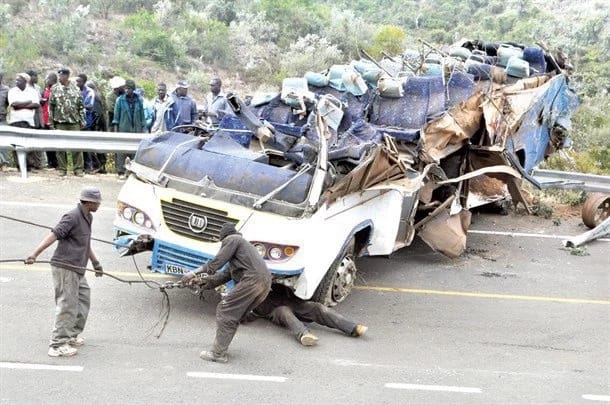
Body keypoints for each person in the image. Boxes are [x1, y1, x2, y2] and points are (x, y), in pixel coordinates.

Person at [25, 186, 104, 357]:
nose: (99, 205)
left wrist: (95, 262)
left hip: (78, 268)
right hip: (65, 267)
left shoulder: (88, 217)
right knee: (67, 304)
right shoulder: (72, 217)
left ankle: (71, 335)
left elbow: (85, 243)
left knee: (83, 299)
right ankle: (57, 344)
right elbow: (54, 235)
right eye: (97, 202)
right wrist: (34, 254)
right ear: (89, 202)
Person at [181, 223, 272, 363]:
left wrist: (194, 272)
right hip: (264, 284)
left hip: (252, 281)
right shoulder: (241, 252)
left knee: (226, 310)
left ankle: (218, 354)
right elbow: (223, 276)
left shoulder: (233, 239)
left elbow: (217, 261)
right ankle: (221, 349)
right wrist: (201, 282)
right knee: (233, 315)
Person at [49, 68, 86, 177]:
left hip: (74, 122)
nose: (60, 77)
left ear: (67, 76)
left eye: (61, 75)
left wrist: (82, 120)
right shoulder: (55, 89)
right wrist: (51, 122)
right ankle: (62, 169)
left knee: (77, 147)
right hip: (60, 122)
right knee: (60, 148)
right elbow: (51, 106)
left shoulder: (76, 89)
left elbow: (81, 106)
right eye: (59, 75)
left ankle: (78, 169)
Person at [7, 72, 42, 171]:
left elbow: (36, 104)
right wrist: (28, 102)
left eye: (19, 80)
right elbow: (14, 104)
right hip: (15, 121)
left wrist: (20, 105)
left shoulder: (32, 91)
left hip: (28, 121)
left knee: (28, 143)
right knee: (15, 144)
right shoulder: (12, 91)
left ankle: (29, 166)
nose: (16, 81)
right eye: (16, 80)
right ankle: (19, 166)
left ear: (25, 81)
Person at [111, 79, 145, 179]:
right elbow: (116, 118)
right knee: (121, 151)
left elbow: (142, 117)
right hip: (123, 128)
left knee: (135, 152)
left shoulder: (139, 100)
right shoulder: (120, 100)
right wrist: (116, 132)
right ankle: (121, 171)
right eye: (125, 88)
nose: (126, 90)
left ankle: (132, 171)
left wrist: (143, 129)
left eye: (129, 89)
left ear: (133, 89)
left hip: (136, 130)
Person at [75, 73, 98, 174]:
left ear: (84, 82)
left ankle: (90, 166)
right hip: (76, 121)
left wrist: (79, 106)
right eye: (76, 81)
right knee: (78, 145)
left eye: (79, 81)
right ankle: (82, 166)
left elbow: (90, 106)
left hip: (86, 121)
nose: (77, 83)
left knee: (86, 145)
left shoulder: (90, 92)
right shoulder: (75, 90)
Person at [86, 81, 108, 173]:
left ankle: (98, 165)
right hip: (99, 125)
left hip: (96, 126)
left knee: (94, 146)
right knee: (98, 146)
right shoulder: (98, 96)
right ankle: (101, 166)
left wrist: (93, 126)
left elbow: (97, 114)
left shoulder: (94, 97)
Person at [40, 72, 58, 169]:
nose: (46, 80)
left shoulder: (57, 90)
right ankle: (50, 162)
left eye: (47, 78)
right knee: (46, 142)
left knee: (55, 143)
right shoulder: (44, 91)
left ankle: (56, 162)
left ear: (53, 80)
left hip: (54, 121)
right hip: (45, 119)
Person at [0, 72, 13, 169]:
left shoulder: (6, 90)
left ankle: (5, 163)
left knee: (3, 143)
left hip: (2, 119)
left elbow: (10, 104)